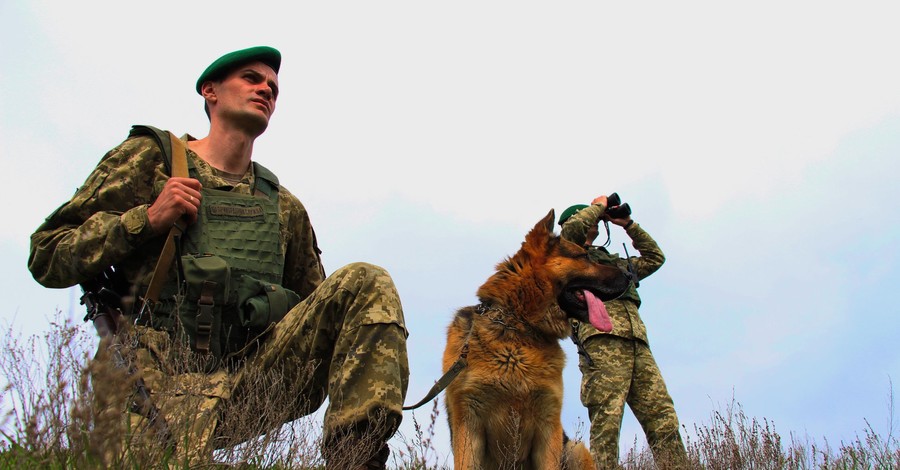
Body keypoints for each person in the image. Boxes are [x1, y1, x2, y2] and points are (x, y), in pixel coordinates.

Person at [28, 46, 408, 468]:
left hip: (247, 378)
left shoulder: (283, 207)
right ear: (210, 91)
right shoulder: (152, 160)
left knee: (365, 282)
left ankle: (355, 458)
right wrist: (146, 220)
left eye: (274, 88)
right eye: (251, 78)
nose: (266, 89)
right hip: (149, 384)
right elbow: (47, 254)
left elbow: (323, 314)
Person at [559, 195, 687, 469]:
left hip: (638, 345)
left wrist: (628, 224)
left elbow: (655, 258)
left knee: (663, 418)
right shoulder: (566, 258)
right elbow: (571, 233)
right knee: (608, 421)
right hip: (601, 345)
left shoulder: (613, 264)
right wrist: (599, 206)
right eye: (589, 218)